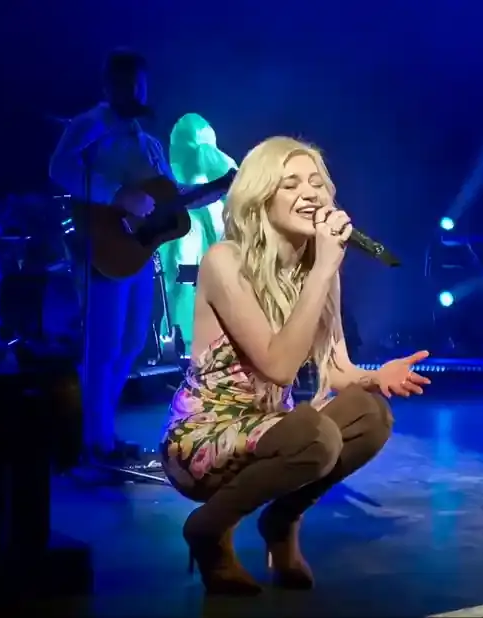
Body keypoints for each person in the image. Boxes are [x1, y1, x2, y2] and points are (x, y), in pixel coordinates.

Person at [160, 137, 431, 595]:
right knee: (313, 434)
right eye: (291, 184)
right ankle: (208, 529)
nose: (310, 193)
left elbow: (336, 368)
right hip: (205, 437)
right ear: (260, 197)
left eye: (316, 183)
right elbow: (280, 368)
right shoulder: (226, 261)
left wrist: (374, 376)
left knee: (371, 415)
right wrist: (325, 268)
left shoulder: (316, 268)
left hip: (269, 426)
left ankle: (280, 524)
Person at [48, 48, 174, 462]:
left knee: (134, 340)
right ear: (110, 85)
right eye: (128, 83)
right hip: (104, 247)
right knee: (103, 344)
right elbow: (60, 168)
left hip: (137, 249)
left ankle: (99, 430)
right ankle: (92, 439)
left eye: (141, 84)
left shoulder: (149, 141)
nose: (137, 91)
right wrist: (116, 194)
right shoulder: (89, 125)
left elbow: (167, 195)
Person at [158, 113, 238, 350]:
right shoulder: (173, 175)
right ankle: (179, 341)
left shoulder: (217, 167)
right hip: (184, 231)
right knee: (182, 276)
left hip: (210, 247)